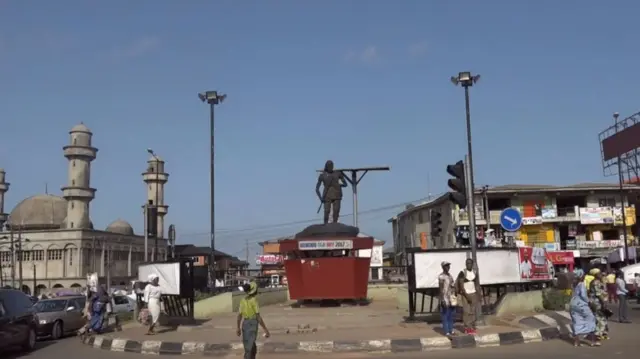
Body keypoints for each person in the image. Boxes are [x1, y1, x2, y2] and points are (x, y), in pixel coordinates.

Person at [236, 281, 270, 359]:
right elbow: (258, 317)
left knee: (249, 344)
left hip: (244, 324)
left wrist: (238, 327)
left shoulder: (243, 300)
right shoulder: (254, 300)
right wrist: (265, 330)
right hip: (252, 323)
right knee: (250, 348)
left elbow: (239, 316)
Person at [569, 272, 598, 347]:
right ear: (581, 276)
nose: (584, 277)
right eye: (583, 276)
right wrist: (589, 302)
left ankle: (576, 342)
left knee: (577, 321)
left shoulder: (574, 284)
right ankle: (592, 341)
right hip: (581, 305)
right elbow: (583, 295)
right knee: (591, 319)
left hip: (573, 304)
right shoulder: (581, 284)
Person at [456, 258, 480, 335]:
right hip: (465, 294)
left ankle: (471, 327)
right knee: (466, 311)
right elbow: (461, 285)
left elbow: (476, 284)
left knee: (473, 312)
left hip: (473, 293)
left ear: (472, 264)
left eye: (469, 263)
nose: (468, 264)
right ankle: (467, 327)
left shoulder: (475, 272)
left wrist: (478, 294)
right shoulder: (462, 272)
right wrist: (466, 295)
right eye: (467, 263)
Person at [587, 268, 609, 340]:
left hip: (599, 302)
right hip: (597, 303)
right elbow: (598, 294)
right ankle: (598, 334)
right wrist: (603, 303)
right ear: (596, 275)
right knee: (599, 318)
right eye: (599, 273)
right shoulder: (595, 282)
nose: (601, 274)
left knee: (603, 317)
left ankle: (602, 333)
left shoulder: (599, 281)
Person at [438, 261, 456, 337]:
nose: (448, 267)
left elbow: (452, 286)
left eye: (448, 266)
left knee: (451, 315)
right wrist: (442, 299)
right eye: (446, 266)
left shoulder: (450, 276)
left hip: (451, 297)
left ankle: (451, 329)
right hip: (444, 297)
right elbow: (441, 288)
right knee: (445, 315)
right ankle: (446, 331)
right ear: (443, 267)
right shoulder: (441, 276)